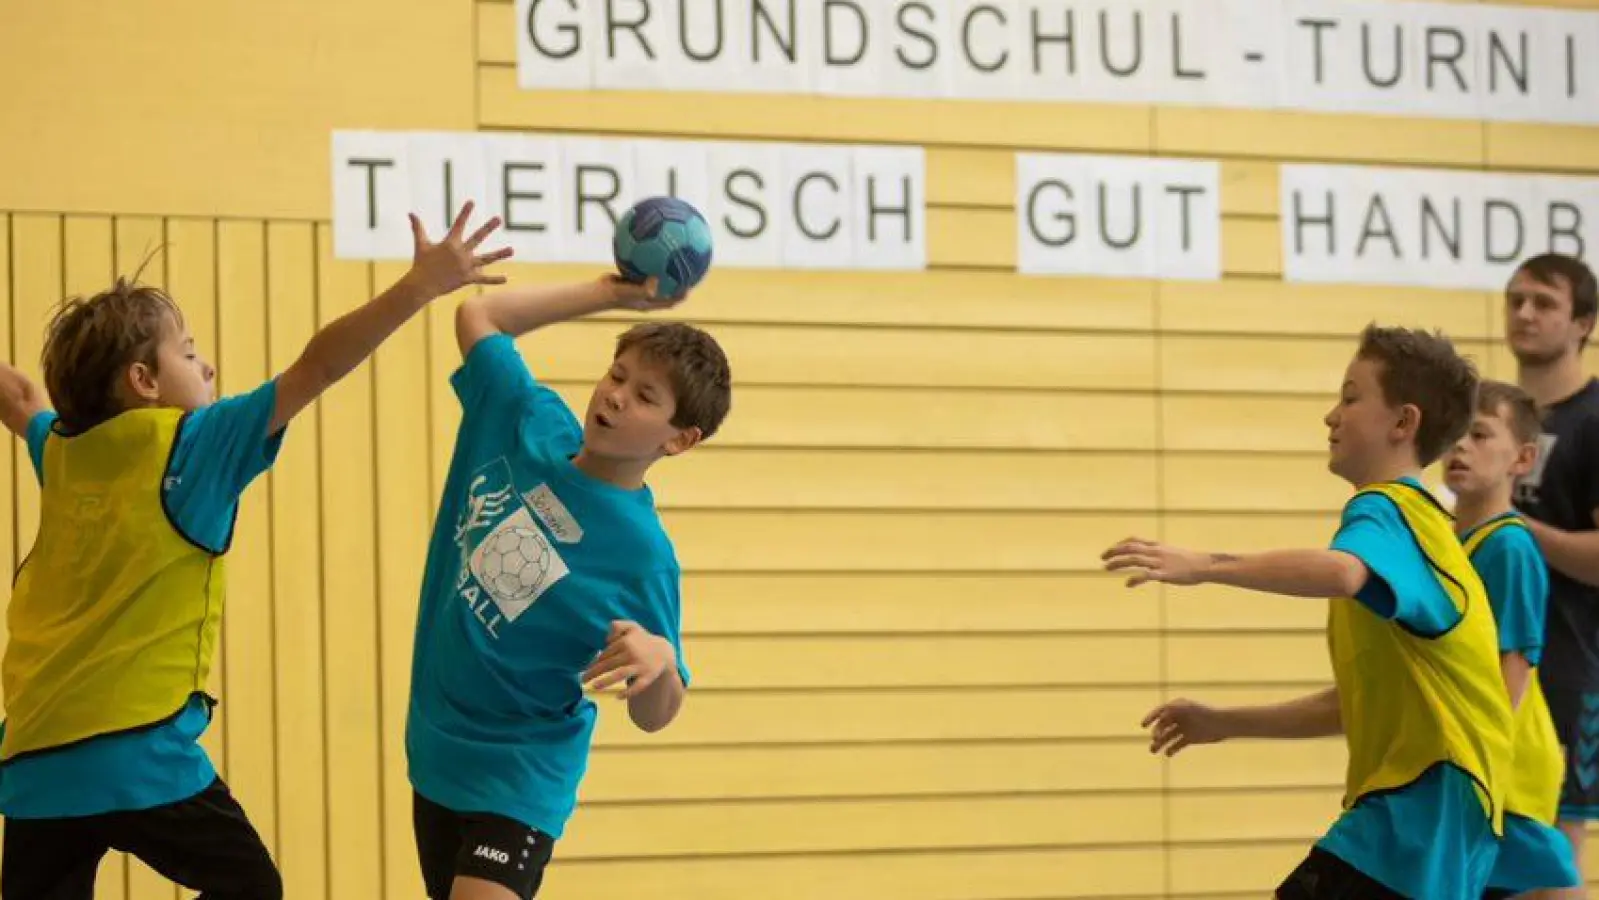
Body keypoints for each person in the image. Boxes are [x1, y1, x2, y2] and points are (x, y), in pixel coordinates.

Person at [0, 203, 510, 900]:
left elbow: (19, 395)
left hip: (35, 761)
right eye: (186, 352)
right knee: (251, 889)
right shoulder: (197, 443)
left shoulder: (63, 451)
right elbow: (318, 366)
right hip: (139, 751)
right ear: (144, 384)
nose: (205, 364)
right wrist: (417, 288)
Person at [1106, 324, 1515, 900]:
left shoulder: (1386, 509)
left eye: (1351, 398)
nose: (1332, 415)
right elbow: (1353, 704)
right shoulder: (1418, 531)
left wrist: (1205, 564)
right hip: (1446, 812)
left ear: (1404, 423)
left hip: (1422, 805)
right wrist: (1226, 723)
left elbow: (1340, 572)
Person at [404, 273, 732, 900]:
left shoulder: (642, 558)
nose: (614, 396)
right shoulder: (527, 422)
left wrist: (661, 665)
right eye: (616, 374)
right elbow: (480, 316)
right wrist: (612, 292)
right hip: (437, 745)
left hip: (523, 772)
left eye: (644, 395)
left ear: (679, 439)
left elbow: (655, 714)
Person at [1446, 379, 1581, 898]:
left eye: (1479, 434)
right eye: (1456, 433)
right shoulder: (1450, 542)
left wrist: (1472, 767)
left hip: (1505, 769)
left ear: (1522, 459)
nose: (1461, 445)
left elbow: (1512, 671)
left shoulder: (1508, 547)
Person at [1503, 253, 1599, 895]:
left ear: (1584, 323)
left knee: (1554, 850)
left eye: (1543, 302)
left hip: (1568, 666)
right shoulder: (1493, 417)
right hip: (1497, 663)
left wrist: (1510, 524)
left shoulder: (1593, 421)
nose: (1524, 314)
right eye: (1514, 299)